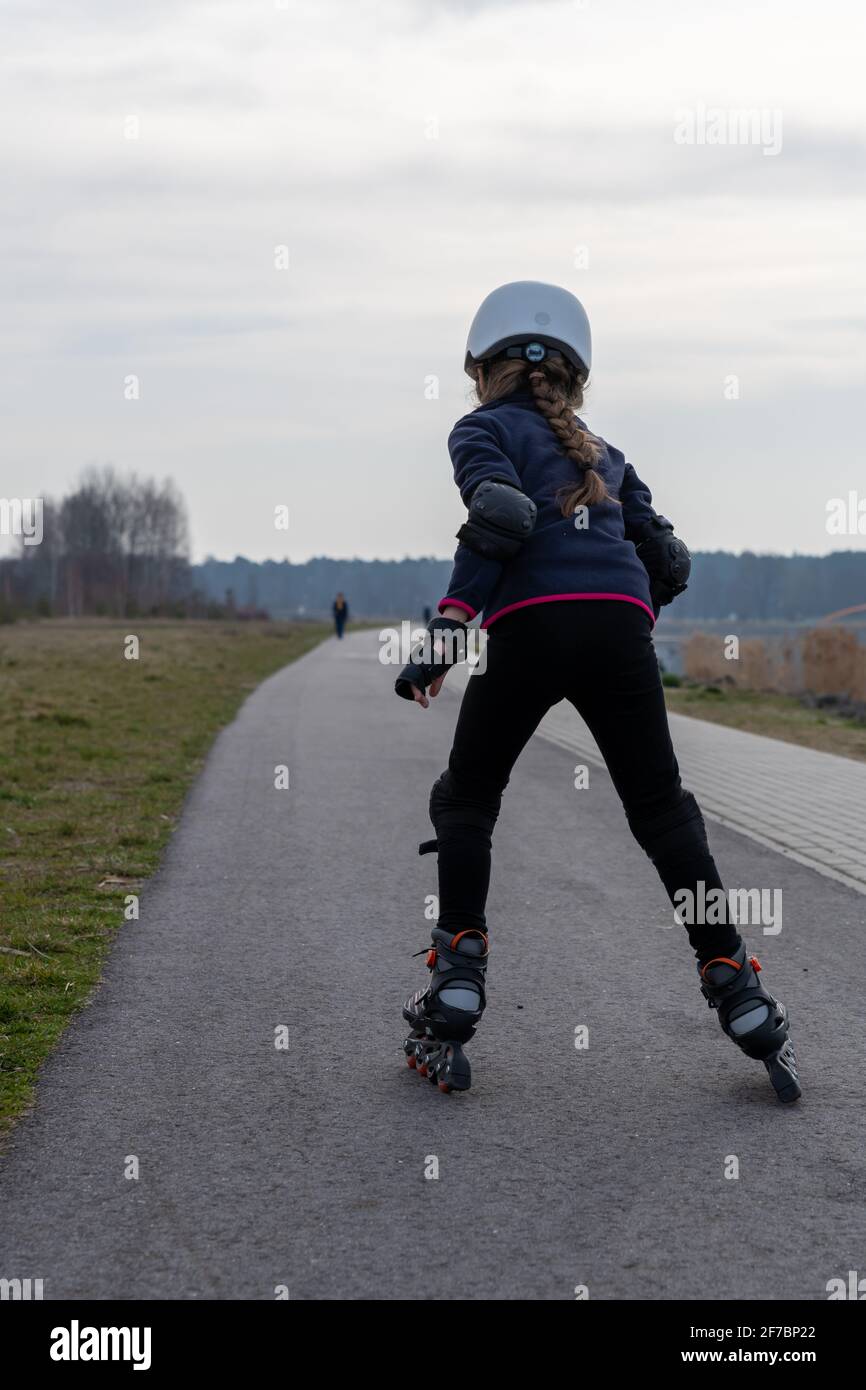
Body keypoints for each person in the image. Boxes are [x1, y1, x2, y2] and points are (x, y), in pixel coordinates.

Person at [394, 280, 800, 1102]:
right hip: (619, 633)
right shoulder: (606, 454)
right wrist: (628, 616)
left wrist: (445, 636)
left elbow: (501, 517)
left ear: (485, 368)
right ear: (574, 375)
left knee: (467, 798)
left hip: (531, 630)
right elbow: (669, 560)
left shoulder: (480, 430)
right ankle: (735, 982)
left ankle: (458, 976)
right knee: (662, 811)